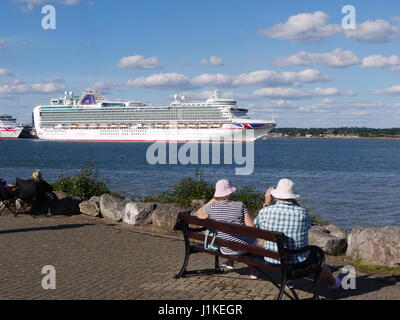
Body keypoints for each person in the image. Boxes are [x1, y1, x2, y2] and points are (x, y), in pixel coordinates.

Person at [254, 178, 342, 289]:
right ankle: (334, 283)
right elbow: (309, 225)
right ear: (292, 196)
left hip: (271, 260)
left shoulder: (265, 211)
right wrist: (295, 203)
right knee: (318, 257)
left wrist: (267, 202)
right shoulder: (302, 212)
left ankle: (288, 279)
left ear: (274, 195)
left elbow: (256, 226)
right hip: (297, 261)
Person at [196, 179, 258, 279]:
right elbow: (251, 227)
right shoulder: (240, 205)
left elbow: (199, 214)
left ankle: (230, 261)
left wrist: (212, 200)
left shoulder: (212, 207)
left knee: (229, 237)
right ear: (230, 192)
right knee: (252, 239)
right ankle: (253, 269)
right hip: (243, 247)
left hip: (226, 249)